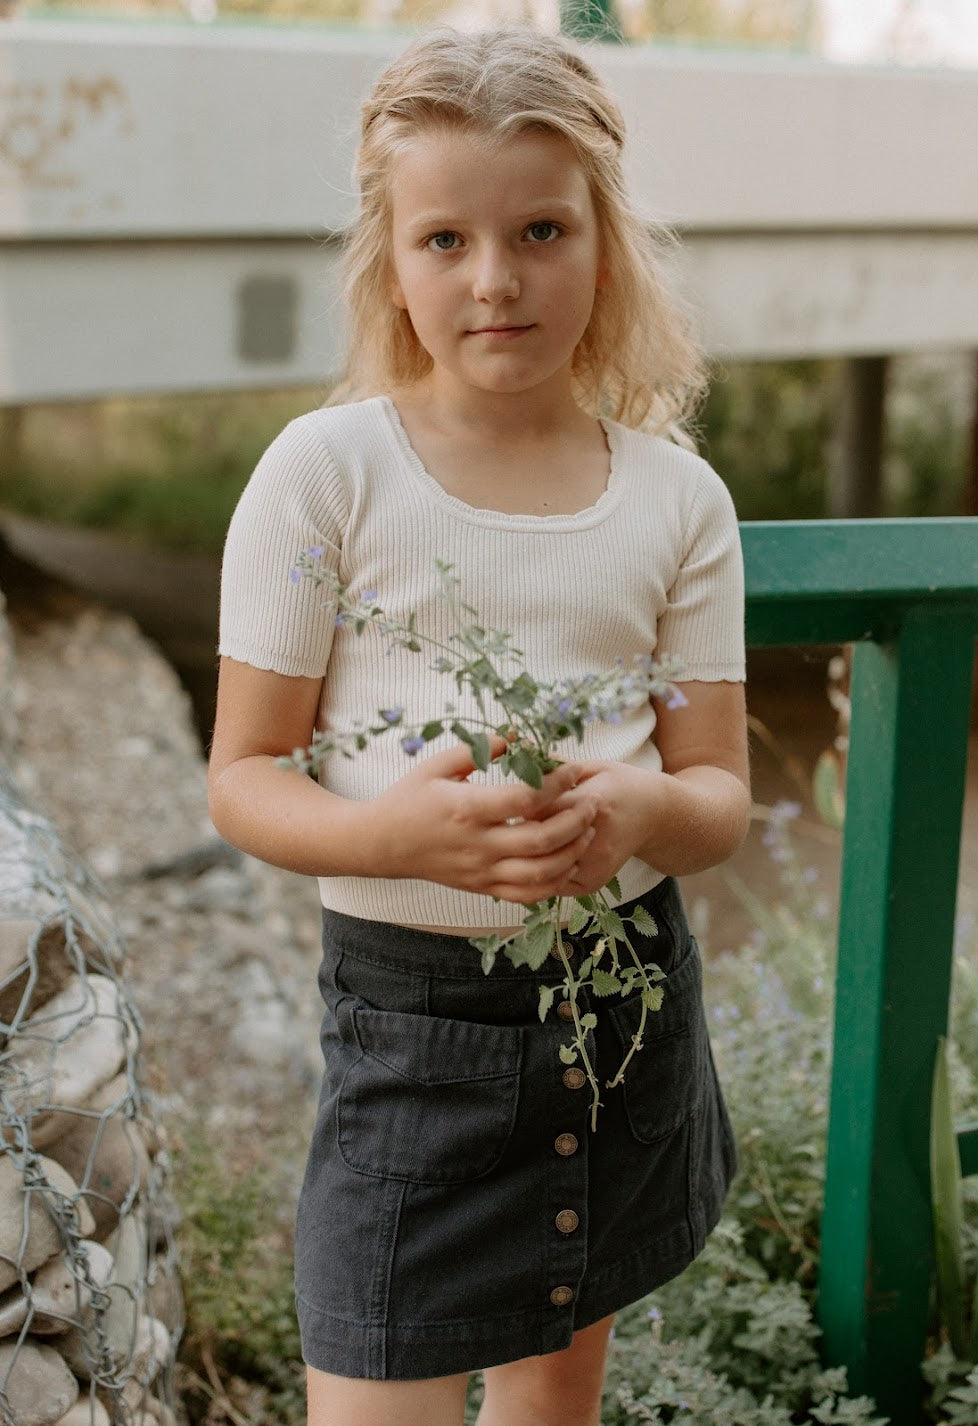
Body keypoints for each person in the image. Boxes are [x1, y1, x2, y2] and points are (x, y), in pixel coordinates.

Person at [208, 26, 750, 1426]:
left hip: (621, 1007)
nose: (495, 277)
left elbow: (715, 794)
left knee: (555, 1380)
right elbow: (242, 775)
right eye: (443, 237)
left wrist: (632, 815)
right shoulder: (323, 477)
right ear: (390, 260)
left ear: (606, 244)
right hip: (414, 1031)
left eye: (540, 229)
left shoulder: (677, 501)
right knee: (374, 1384)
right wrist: (389, 833)